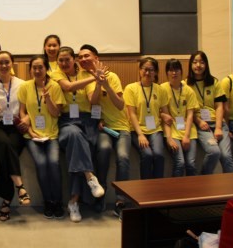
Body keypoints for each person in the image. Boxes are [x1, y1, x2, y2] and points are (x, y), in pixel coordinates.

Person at [51, 46, 104, 223]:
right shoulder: (56, 74)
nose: (64, 63)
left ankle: (74, 201)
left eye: (67, 59)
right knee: (74, 135)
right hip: (67, 122)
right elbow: (67, 87)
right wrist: (94, 77)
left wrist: (98, 83)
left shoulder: (84, 74)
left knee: (78, 149)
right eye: (61, 60)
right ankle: (90, 177)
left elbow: (93, 100)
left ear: (74, 59)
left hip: (87, 121)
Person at [81, 44, 129, 217]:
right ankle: (100, 196)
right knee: (103, 150)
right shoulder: (86, 78)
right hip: (104, 128)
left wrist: (106, 84)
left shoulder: (112, 76)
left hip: (121, 127)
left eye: (86, 56)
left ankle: (120, 200)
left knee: (123, 157)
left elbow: (120, 105)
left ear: (96, 57)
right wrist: (97, 83)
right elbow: (93, 101)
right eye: (80, 57)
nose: (83, 59)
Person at [0, 51, 30, 221]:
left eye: (6, 62)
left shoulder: (22, 84)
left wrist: (26, 119)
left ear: (12, 63)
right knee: (4, 145)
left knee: (7, 153)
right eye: (0, 62)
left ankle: (6, 202)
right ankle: (20, 186)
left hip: (16, 126)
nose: (3, 65)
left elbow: (29, 108)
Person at [19, 55, 65, 219]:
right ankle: (48, 202)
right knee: (41, 163)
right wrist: (30, 131)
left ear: (46, 69)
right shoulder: (25, 86)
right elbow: (22, 112)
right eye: (34, 67)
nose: (37, 70)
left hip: (51, 135)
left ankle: (58, 201)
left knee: (53, 163)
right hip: (32, 135)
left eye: (41, 67)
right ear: (30, 70)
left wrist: (48, 99)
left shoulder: (55, 86)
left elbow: (56, 113)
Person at [186, 51, 233, 174]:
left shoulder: (214, 82)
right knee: (214, 152)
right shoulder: (185, 84)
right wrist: (199, 121)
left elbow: (219, 106)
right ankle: (204, 180)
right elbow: (186, 110)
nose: (198, 65)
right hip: (201, 125)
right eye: (195, 62)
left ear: (206, 65)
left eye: (202, 62)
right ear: (190, 65)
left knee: (226, 156)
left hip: (218, 123)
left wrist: (218, 128)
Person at [124, 57, 171, 180]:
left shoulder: (160, 90)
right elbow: (132, 114)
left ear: (156, 72)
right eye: (145, 69)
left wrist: (169, 136)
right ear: (140, 70)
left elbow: (165, 113)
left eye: (151, 70)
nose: (147, 72)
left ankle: (158, 187)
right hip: (136, 130)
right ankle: (145, 187)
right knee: (147, 155)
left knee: (159, 155)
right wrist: (140, 135)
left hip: (155, 129)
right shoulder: (131, 88)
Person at [161, 59, 199, 177]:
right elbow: (162, 114)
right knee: (180, 162)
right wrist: (169, 138)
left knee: (191, 163)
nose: (174, 73)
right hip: (172, 131)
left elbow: (190, 115)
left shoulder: (189, 90)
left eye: (176, 70)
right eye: (171, 70)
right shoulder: (162, 89)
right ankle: (176, 188)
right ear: (166, 73)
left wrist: (186, 136)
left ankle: (192, 187)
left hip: (189, 131)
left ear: (181, 72)